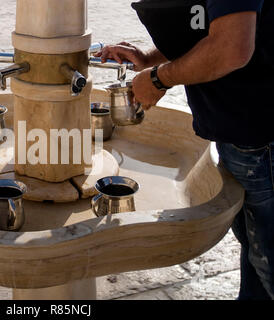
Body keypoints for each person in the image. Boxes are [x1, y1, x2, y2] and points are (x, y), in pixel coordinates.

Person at [96, 0, 274, 300]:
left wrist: (158, 79)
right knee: (257, 253)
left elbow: (231, 46)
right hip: (243, 132)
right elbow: (206, 26)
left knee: (268, 258)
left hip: (263, 136)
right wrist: (149, 59)